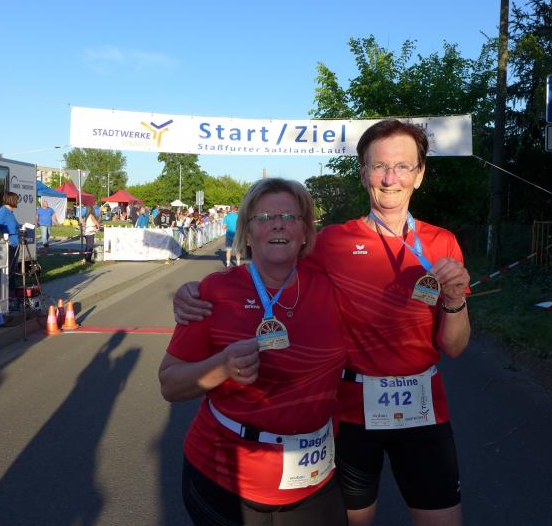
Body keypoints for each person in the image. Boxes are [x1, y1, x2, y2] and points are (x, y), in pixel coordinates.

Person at [174, 120, 471, 526]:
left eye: (403, 166)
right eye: (379, 166)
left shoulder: (443, 243)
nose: (390, 178)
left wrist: (454, 301)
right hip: (350, 413)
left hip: (423, 407)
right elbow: (270, 268)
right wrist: (195, 292)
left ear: (419, 175)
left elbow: (454, 346)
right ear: (364, 173)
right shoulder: (331, 242)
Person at [159, 178, 348, 526]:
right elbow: (170, 384)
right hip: (226, 477)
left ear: (305, 232)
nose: (278, 224)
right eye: (264, 217)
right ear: (247, 233)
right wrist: (221, 367)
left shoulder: (333, 284)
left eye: (290, 216)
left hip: (313, 480)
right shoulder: (215, 291)